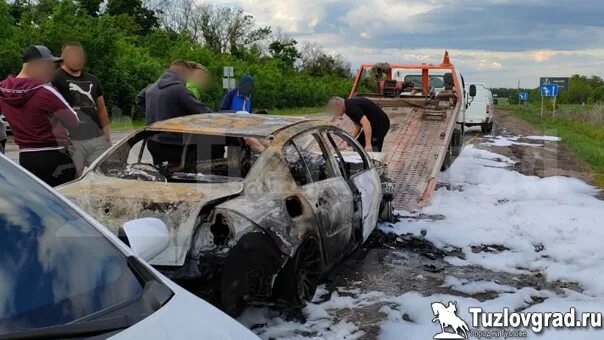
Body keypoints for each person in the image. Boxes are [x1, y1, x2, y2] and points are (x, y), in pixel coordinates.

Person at [0, 45, 79, 186]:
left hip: (26, 159)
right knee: (63, 202)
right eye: (49, 65)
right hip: (56, 156)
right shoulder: (44, 91)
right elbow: (74, 122)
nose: (52, 70)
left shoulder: (2, 91)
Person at [52, 41, 111, 175]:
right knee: (74, 178)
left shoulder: (92, 79)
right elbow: (50, 111)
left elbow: (101, 108)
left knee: (102, 176)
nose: (76, 58)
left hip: (96, 138)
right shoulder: (55, 78)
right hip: (73, 140)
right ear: (63, 58)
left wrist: (107, 134)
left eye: (79, 55)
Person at [142, 60, 212, 165]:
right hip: (174, 144)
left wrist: (153, 115)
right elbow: (204, 112)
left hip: (153, 142)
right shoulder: (180, 90)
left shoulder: (151, 87)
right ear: (184, 73)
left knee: (160, 174)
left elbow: (139, 99)